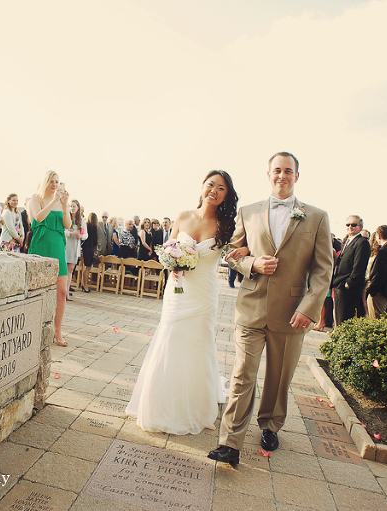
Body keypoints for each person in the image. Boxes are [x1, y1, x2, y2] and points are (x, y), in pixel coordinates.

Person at [209, 152, 333, 466]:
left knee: (279, 378)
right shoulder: (248, 211)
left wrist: (310, 307)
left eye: (288, 171)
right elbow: (231, 253)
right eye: (276, 170)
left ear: (296, 176)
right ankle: (230, 442)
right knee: (242, 375)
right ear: (268, 175)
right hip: (250, 308)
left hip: (293, 312)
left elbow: (322, 270)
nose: (282, 176)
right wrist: (252, 263)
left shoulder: (317, 216)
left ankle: (270, 425)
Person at [126, 170, 238, 435]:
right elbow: (168, 250)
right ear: (202, 187)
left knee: (198, 342)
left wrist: (244, 252)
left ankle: (195, 405)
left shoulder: (227, 225)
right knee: (171, 336)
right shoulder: (183, 216)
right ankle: (160, 404)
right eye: (210, 184)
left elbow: (238, 251)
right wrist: (172, 266)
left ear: (226, 195)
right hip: (178, 289)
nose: (214, 190)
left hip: (205, 292)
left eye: (221, 188)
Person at [28, 171, 71, 346]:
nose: (55, 184)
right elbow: (38, 217)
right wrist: (53, 201)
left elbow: (67, 224)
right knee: (36, 291)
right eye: (51, 181)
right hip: (41, 246)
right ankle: (33, 328)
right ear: (45, 182)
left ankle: (57, 331)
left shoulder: (61, 201)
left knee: (61, 291)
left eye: (57, 182)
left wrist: (65, 205)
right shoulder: (35, 198)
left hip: (58, 247)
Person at [332, 215, 369, 325]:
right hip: (339, 284)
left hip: (348, 288)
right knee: (338, 318)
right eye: (348, 225)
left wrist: (348, 283)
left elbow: (359, 266)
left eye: (354, 225)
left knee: (344, 319)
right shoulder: (348, 240)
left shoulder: (362, 242)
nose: (350, 227)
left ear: (360, 227)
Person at [65, 200, 87, 298]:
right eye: (70, 206)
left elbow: (86, 234)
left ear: (78, 208)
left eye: (74, 206)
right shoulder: (65, 218)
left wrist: (80, 236)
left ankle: (66, 292)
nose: (72, 208)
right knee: (63, 270)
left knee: (70, 270)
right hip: (65, 246)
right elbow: (61, 231)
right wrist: (71, 233)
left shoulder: (81, 221)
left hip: (75, 247)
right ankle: (61, 291)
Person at [80, 213, 98, 292]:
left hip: (84, 248)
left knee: (86, 267)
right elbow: (95, 240)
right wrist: (96, 250)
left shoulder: (86, 226)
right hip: (90, 248)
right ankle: (85, 285)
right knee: (88, 267)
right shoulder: (94, 227)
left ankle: (84, 284)